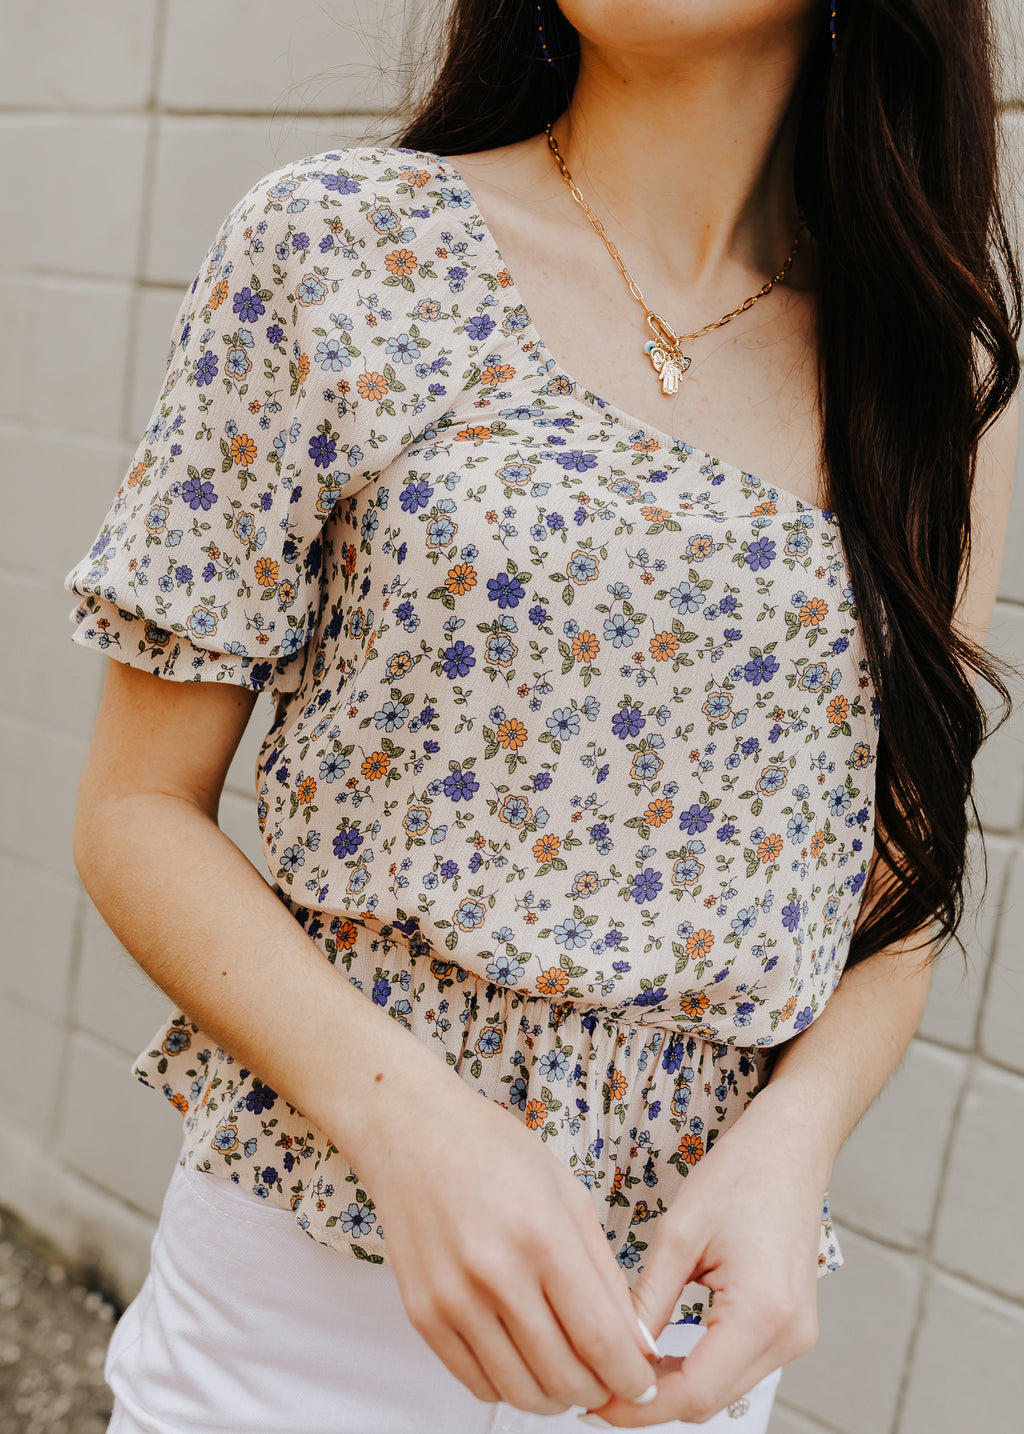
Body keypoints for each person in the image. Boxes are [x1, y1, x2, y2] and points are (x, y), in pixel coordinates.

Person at [62, 1, 1021, 1430]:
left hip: (669, 1344)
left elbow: (892, 889)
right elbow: (134, 810)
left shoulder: (929, 379)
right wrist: (404, 1115)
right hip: (299, 1315)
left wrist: (791, 1149)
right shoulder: (338, 246)